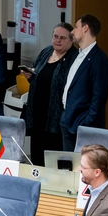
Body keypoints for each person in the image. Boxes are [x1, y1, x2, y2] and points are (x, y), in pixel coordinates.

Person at [22, 23, 78, 164]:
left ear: (71, 40)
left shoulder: (74, 58)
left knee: (53, 161)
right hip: (37, 115)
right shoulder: (46, 52)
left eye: (62, 38)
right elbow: (37, 74)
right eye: (55, 36)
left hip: (56, 118)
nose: (58, 40)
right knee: (37, 158)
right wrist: (30, 76)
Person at [60, 14, 108, 151]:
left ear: (85, 28)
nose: (72, 31)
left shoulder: (99, 60)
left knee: (83, 162)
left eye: (76, 27)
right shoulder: (77, 55)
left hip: (83, 124)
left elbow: (99, 96)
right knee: (69, 161)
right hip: (68, 118)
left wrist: (87, 123)